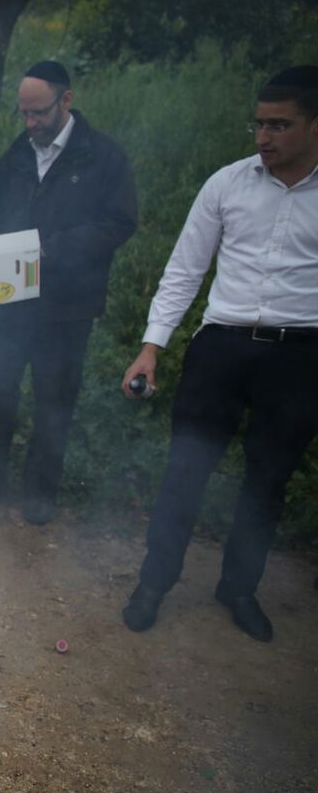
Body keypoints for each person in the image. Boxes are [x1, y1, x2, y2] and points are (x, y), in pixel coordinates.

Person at [120, 65, 318, 643]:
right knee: (186, 469)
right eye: (259, 124)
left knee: (268, 478)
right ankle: (154, 582)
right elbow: (184, 271)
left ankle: (238, 587)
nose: (263, 137)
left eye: (279, 125)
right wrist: (150, 349)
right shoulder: (227, 183)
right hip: (221, 347)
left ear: (314, 125)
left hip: (300, 355)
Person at [0, 61, 137, 524]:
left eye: (38, 113)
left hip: (67, 303)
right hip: (10, 294)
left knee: (54, 399)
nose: (30, 123)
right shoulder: (19, 151)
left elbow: (118, 223)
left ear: (66, 101)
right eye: (23, 113)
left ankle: (40, 495)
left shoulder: (103, 157)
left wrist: (49, 250)